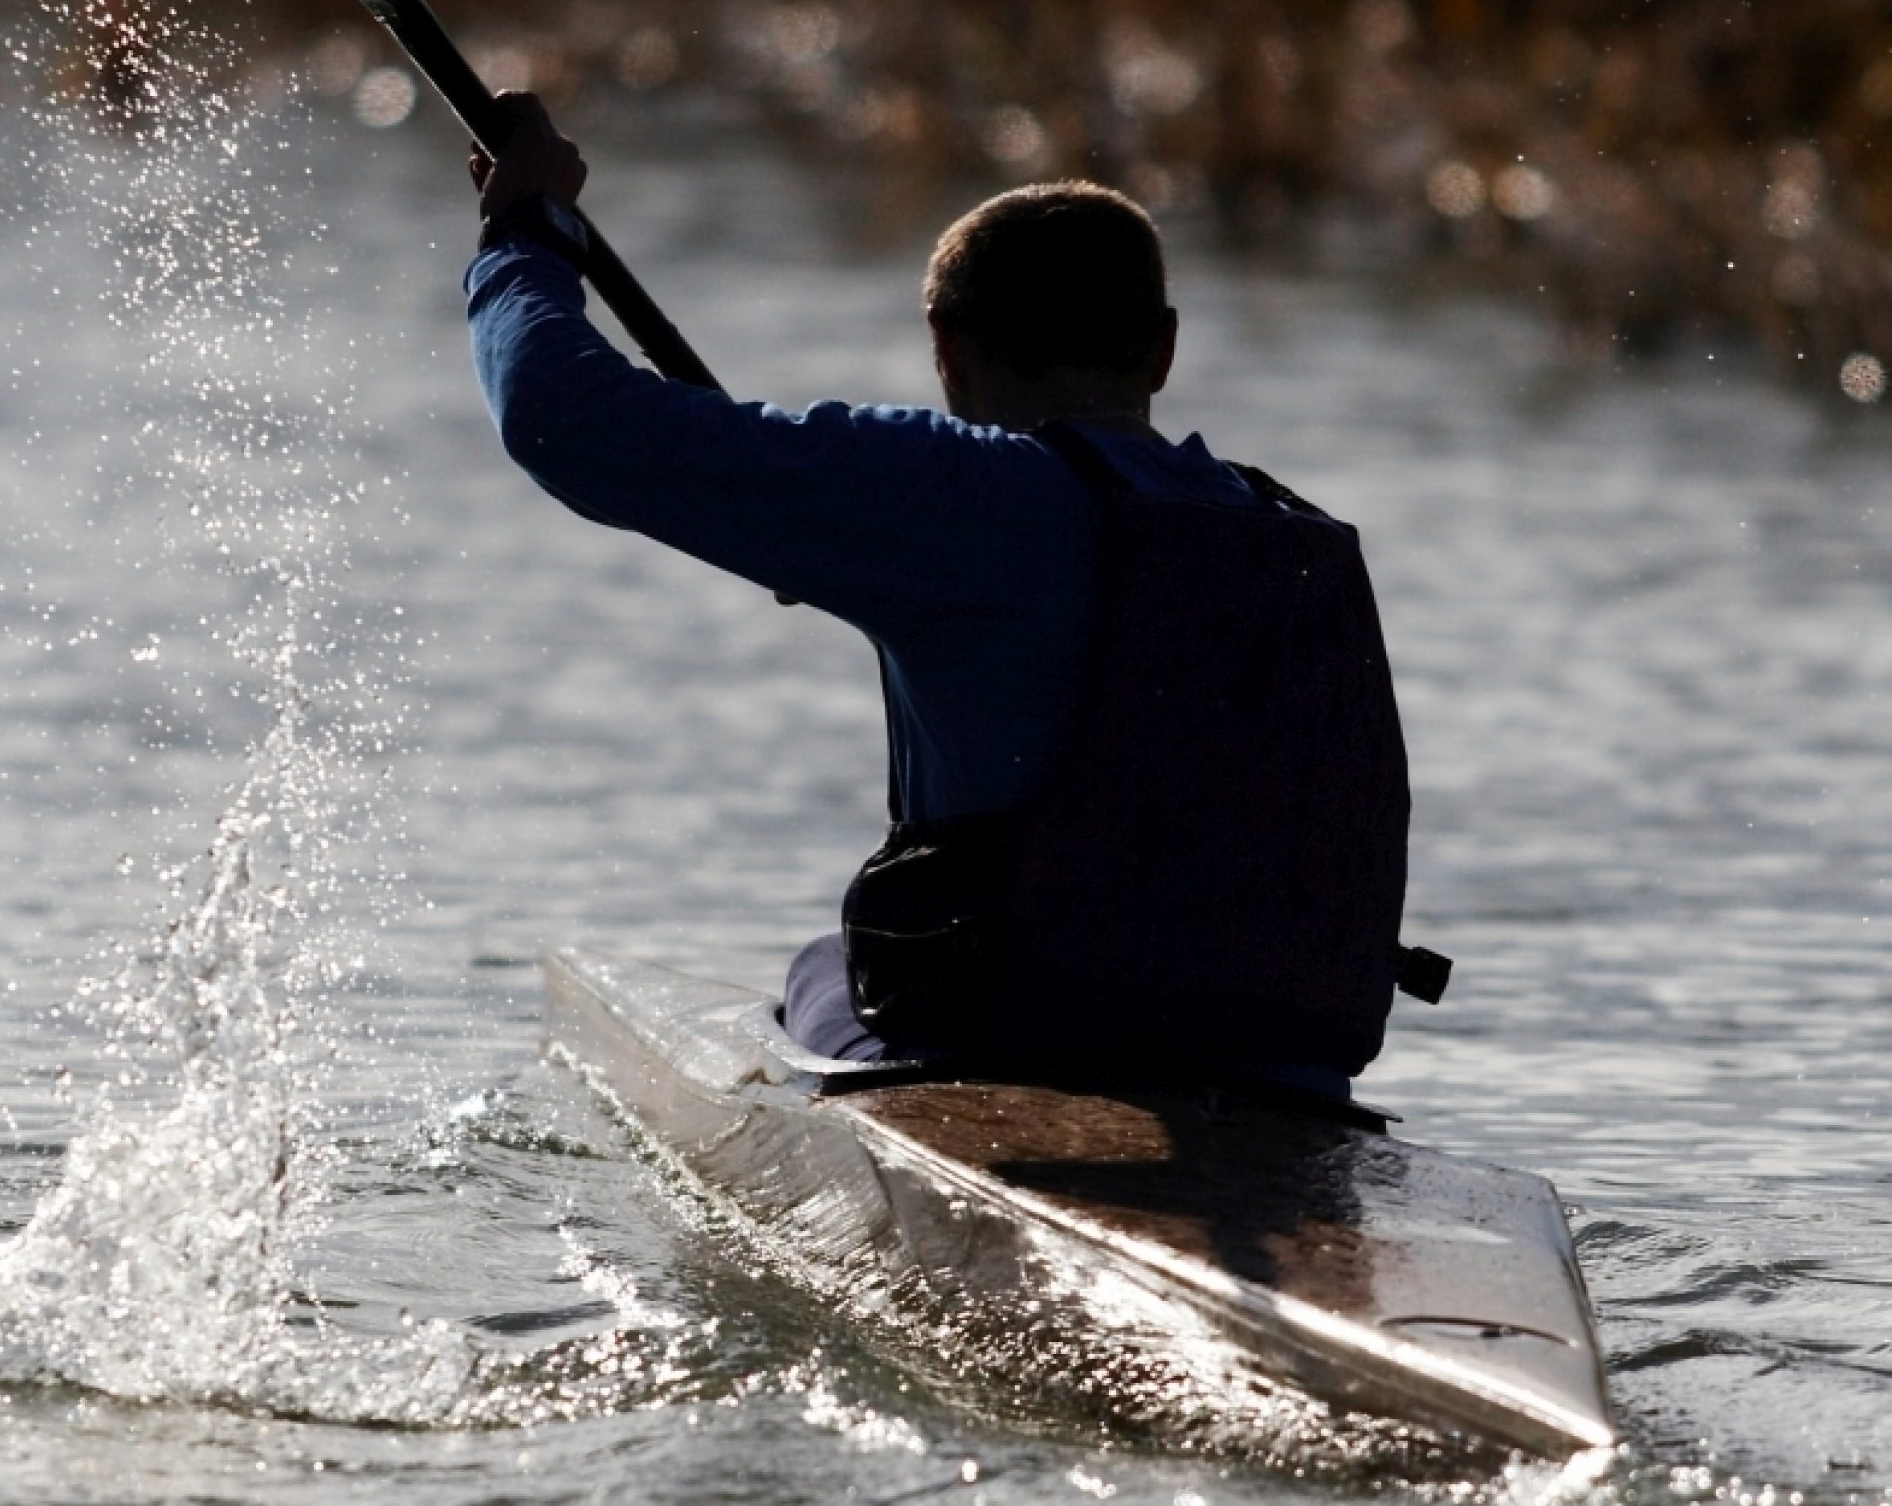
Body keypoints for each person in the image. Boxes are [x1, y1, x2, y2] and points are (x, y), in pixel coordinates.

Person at [467, 93, 1439, 1100]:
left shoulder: (958, 492)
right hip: (1287, 1071)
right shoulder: (1289, 533)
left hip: (1012, 1049)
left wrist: (524, 234)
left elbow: (558, 417)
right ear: (1161, 348)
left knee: (820, 970)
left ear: (946, 349)